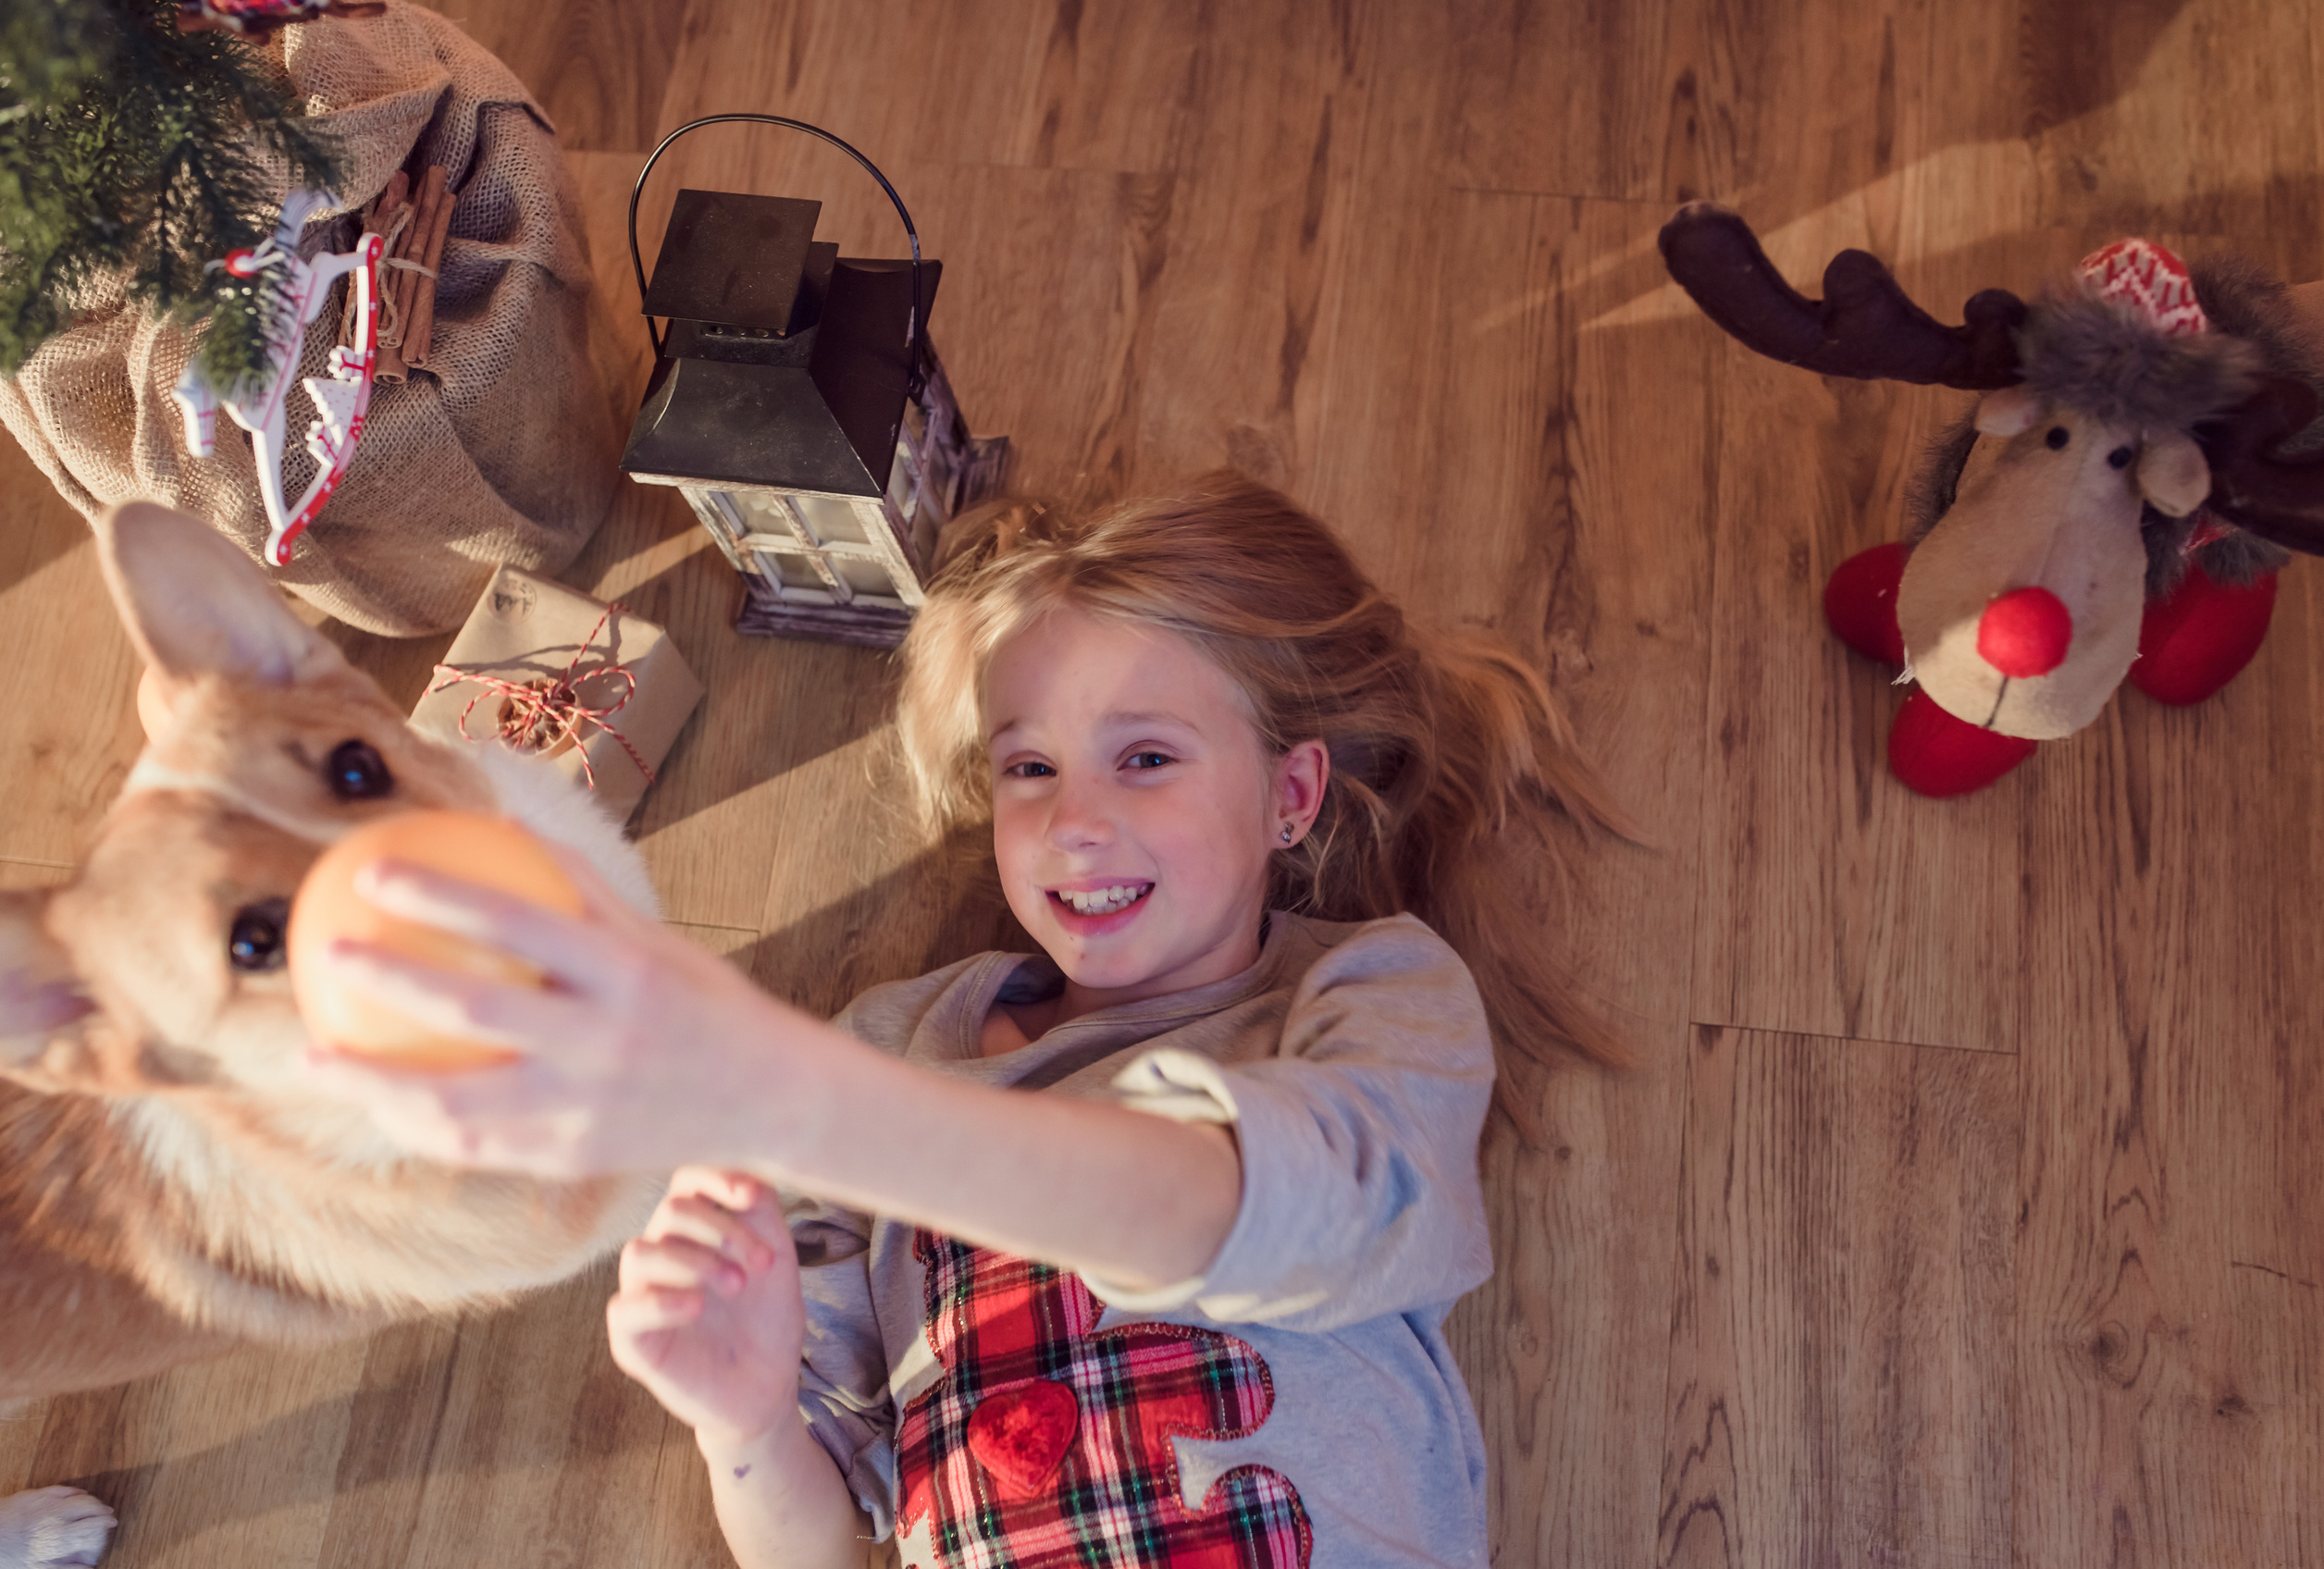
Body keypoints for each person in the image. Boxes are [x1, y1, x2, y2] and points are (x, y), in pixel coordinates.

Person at [309, 474, 1626, 1569]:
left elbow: (1264, 1211)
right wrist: (749, 1420)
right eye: (1029, 767)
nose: (1074, 821)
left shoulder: (1370, 997)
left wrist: (795, 1099)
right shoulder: (892, 1043)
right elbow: (818, 1546)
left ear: (1291, 795)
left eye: (1148, 756)